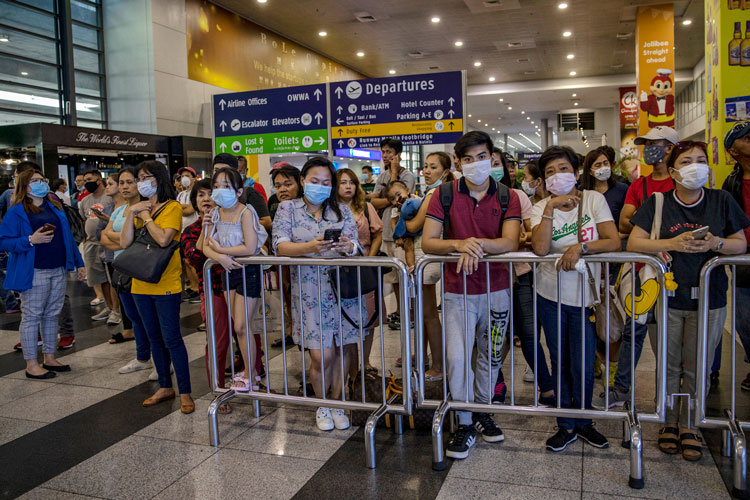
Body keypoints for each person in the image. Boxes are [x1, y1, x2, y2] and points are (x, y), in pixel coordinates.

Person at [627, 141, 748, 460]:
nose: (695, 166)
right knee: (668, 364)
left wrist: (717, 242)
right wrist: (673, 243)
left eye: (700, 160)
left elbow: (740, 244)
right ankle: (667, 421)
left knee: (699, 364)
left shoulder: (721, 201)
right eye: (687, 160)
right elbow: (634, 241)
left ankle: (690, 424)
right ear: (675, 168)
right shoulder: (658, 202)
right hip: (665, 297)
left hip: (710, 298)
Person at [422, 131, 522, 460]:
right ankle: (464, 421)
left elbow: (510, 242)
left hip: (497, 292)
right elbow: (429, 242)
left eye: (482, 157)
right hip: (457, 292)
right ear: (459, 162)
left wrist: (475, 244)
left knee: (491, 357)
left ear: (492, 158)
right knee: (456, 358)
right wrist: (457, 243)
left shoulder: (509, 196)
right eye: (468, 159)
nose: (476, 164)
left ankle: (481, 411)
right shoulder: (444, 195)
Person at [530, 145, 620, 452]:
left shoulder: (594, 199)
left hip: (585, 297)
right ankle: (565, 423)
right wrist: (550, 208)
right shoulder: (540, 207)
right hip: (550, 295)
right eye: (550, 172)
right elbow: (541, 249)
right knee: (560, 359)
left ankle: (584, 421)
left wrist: (581, 247)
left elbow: (613, 240)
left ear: (577, 171)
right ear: (543, 179)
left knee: (582, 360)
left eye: (563, 168)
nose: (558, 175)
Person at [273, 156, 363, 431]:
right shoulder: (287, 208)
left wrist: (349, 246)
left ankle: (338, 402)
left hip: (342, 288)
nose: (320, 187)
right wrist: (310, 247)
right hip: (309, 290)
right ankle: (322, 404)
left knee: (341, 349)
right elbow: (280, 246)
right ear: (303, 181)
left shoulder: (342, 211)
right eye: (315, 181)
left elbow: (356, 245)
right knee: (320, 354)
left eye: (326, 182)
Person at [596, 126, 679, 409]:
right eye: (645, 145)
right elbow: (622, 223)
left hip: (676, 270)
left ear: (670, 148)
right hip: (640, 269)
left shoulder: (681, 184)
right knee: (634, 330)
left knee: (670, 336)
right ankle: (621, 389)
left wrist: (645, 231)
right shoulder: (639, 186)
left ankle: (668, 395)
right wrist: (664, 231)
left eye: (655, 144)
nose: (649, 150)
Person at [119, 160, 194, 414]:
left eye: (146, 177)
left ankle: (185, 392)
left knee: (172, 338)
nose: (141, 182)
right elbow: (125, 242)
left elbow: (164, 239)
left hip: (166, 284)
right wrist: (131, 213)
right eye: (139, 178)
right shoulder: (138, 208)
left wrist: (145, 216)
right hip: (140, 283)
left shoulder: (172, 207)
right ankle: (165, 386)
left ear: (159, 179)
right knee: (154, 338)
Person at [0, 167, 85, 378]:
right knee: (32, 316)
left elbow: (68, 238)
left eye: (42, 179)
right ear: (25, 186)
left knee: (51, 314)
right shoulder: (17, 211)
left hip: (57, 268)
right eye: (35, 180)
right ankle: (31, 363)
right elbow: (4, 241)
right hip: (34, 270)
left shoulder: (54, 206)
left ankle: (49, 356)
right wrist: (30, 240)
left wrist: (79, 263)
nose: (41, 183)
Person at [200, 167, 266, 392]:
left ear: (238, 191)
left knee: (241, 325)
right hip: (229, 270)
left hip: (248, 271)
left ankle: (250, 372)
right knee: (239, 328)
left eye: (226, 186)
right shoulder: (215, 213)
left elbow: (250, 246)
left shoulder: (246, 212)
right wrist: (220, 257)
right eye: (216, 186)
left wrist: (224, 252)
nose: (220, 191)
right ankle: (251, 373)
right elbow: (205, 246)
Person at [402, 151, 454, 380]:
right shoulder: (440, 191)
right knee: (425, 313)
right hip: (428, 256)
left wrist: (399, 219)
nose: (427, 171)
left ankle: (439, 367)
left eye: (433, 167)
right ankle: (426, 360)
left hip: (426, 256)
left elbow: (414, 226)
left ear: (445, 170)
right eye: (425, 166)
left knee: (429, 314)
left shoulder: (434, 192)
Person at [182, 178, 232, 412]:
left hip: (239, 289)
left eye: (210, 193)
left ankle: (252, 381)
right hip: (212, 292)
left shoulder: (232, 222)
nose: (205, 199)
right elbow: (197, 258)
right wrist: (206, 228)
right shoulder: (191, 231)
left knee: (248, 337)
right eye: (200, 195)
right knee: (218, 342)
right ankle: (218, 389)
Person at [581, 147, 629, 387]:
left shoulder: (622, 190)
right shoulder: (583, 195)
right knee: (590, 319)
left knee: (611, 322)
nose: (602, 168)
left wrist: (612, 236)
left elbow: (629, 222)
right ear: (589, 169)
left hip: (615, 263)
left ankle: (613, 368)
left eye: (605, 163)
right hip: (590, 265)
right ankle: (595, 361)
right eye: (597, 164)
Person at [101, 168, 155, 378]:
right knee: (132, 315)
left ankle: (157, 358)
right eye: (121, 183)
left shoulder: (145, 208)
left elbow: (135, 240)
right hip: (121, 267)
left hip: (139, 267)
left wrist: (118, 238)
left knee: (146, 316)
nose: (124, 187)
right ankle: (142, 357)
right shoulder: (118, 211)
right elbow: (105, 238)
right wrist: (120, 239)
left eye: (129, 182)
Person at [336, 168, 383, 376]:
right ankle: (350, 364)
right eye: (343, 182)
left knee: (369, 316)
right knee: (346, 317)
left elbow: (377, 233)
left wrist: (370, 259)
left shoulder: (365, 206)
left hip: (364, 268)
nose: (348, 186)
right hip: (340, 269)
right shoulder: (330, 210)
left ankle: (365, 361)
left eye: (352, 182)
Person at [369, 138, 415, 330]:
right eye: (383, 152)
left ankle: (411, 312)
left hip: (403, 234)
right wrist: (390, 198)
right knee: (394, 277)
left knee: (406, 275)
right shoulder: (382, 176)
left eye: (389, 152)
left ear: (398, 154)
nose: (386, 155)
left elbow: (403, 201)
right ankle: (400, 309)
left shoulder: (408, 175)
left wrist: (394, 175)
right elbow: (374, 202)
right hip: (386, 232)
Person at [722, 121, 750, 390]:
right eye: (746, 138)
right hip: (744, 258)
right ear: (733, 150)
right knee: (744, 318)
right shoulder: (731, 183)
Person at [269, 164, 303, 348]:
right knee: (288, 298)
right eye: (278, 185)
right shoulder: (274, 202)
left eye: (287, 184)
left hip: (305, 264)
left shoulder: (307, 206)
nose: (282, 189)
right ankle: (292, 332)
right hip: (282, 262)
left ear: (299, 183)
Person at [78, 168, 116, 317]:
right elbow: (83, 219)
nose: (86, 183)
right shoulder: (85, 201)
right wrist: (84, 237)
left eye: (88, 180)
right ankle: (108, 306)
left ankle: (117, 309)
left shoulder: (109, 197)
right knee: (99, 278)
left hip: (108, 242)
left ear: (99, 180)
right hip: (92, 243)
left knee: (112, 278)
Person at [212, 153, 272, 235]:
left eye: (224, 170)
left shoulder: (249, 193)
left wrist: (239, 226)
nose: (220, 174)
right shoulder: (213, 195)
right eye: (216, 170)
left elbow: (267, 222)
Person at [96, 174, 123, 326]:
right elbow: (101, 234)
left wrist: (110, 226)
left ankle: (119, 312)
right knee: (113, 283)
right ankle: (113, 309)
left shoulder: (129, 209)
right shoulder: (107, 208)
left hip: (126, 257)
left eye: (111, 184)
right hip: (110, 255)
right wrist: (117, 238)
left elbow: (130, 236)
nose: (107, 187)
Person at [176, 167, 200, 303]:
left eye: (186, 175)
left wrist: (181, 208)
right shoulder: (180, 195)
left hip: (193, 232)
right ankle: (192, 287)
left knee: (192, 262)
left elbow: (190, 210)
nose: (184, 178)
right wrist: (182, 208)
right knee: (185, 262)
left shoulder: (195, 193)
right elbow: (178, 209)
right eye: (182, 176)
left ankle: (198, 289)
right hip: (181, 232)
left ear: (193, 177)